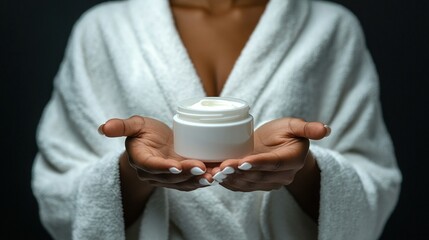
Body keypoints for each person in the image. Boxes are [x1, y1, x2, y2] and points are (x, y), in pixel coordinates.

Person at [31, 0, 402, 239]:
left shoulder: (330, 26)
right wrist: (131, 171)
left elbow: (375, 182)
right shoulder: (102, 28)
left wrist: (302, 169)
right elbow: (57, 190)